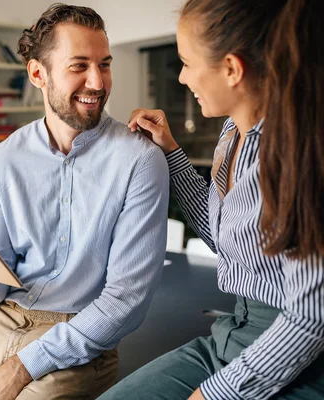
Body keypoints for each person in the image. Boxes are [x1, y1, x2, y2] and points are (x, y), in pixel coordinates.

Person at [0, 4, 170, 399]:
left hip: (76, 335)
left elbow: (126, 300)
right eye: (79, 66)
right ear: (38, 74)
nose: (97, 82)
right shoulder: (3, 159)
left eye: (105, 64)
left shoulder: (140, 159)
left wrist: (22, 366)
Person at [100, 0, 324, 399]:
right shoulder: (231, 134)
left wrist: (217, 394)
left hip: (297, 358)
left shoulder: (300, 156)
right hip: (229, 337)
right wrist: (170, 152)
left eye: (186, 62)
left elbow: (311, 317)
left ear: (233, 69)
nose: (183, 78)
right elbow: (222, 235)